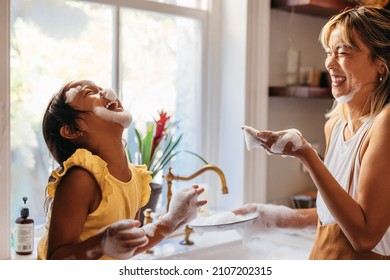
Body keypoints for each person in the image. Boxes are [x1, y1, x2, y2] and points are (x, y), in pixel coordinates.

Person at [238, 5, 390, 259]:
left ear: (381, 65)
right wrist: (272, 216)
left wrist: (307, 156)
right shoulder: (336, 124)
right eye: (329, 52)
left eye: (343, 52)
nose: (330, 63)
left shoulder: (385, 124)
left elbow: (365, 236)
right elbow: (337, 215)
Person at [37, 79, 206, 260]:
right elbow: (55, 260)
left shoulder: (134, 178)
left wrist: (172, 220)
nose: (108, 92)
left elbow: (129, 244)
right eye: (88, 93)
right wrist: (101, 244)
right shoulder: (81, 179)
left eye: (100, 88)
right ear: (72, 130)